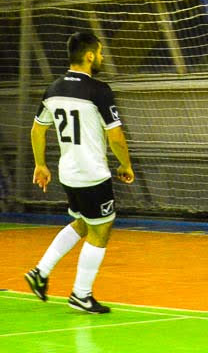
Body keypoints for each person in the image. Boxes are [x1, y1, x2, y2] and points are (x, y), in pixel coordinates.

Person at [24, 31, 134, 314]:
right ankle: (81, 295)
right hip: (92, 174)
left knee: (84, 224)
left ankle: (40, 271)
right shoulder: (98, 90)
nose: (102, 57)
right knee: (102, 231)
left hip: (68, 173)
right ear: (89, 56)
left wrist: (40, 164)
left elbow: (37, 129)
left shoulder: (54, 89)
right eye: (99, 52)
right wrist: (125, 165)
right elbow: (116, 137)